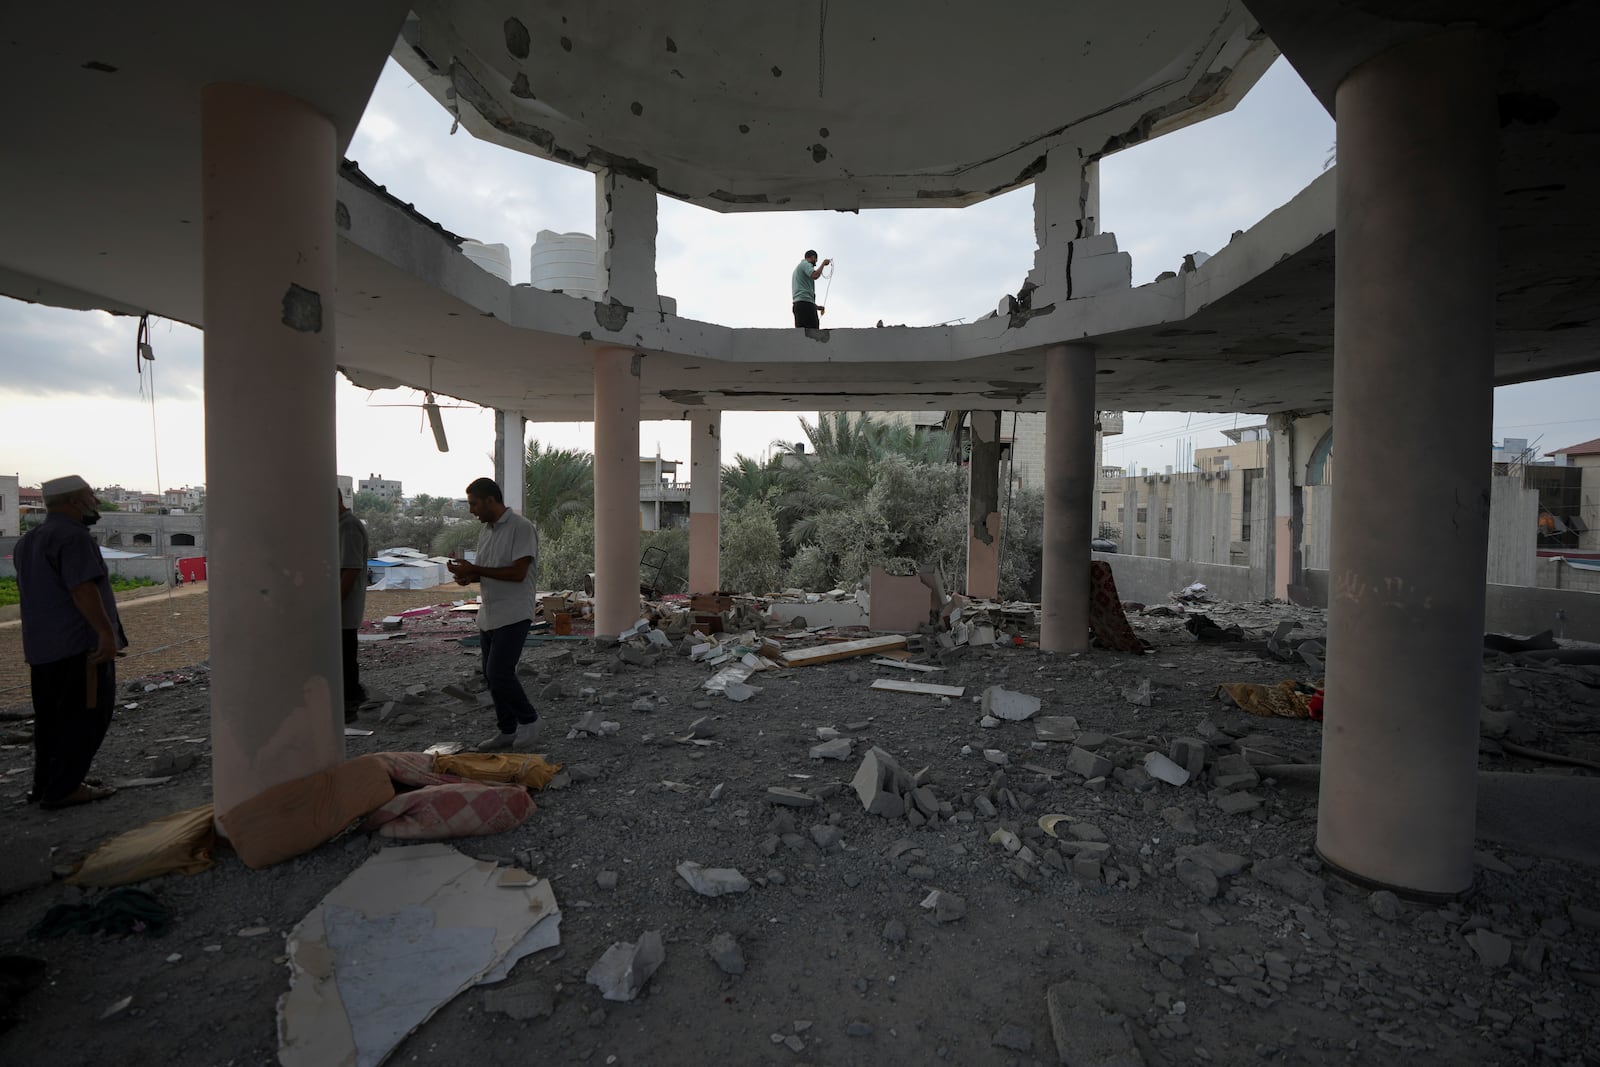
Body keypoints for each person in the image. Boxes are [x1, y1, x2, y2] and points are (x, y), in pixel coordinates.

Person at [15, 475, 126, 809]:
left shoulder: (30, 539)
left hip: (43, 650)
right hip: (80, 649)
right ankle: (64, 789)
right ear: (75, 501)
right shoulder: (73, 537)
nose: (95, 502)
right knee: (88, 716)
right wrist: (106, 634)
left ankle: (47, 783)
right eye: (90, 496)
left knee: (51, 721)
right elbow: (82, 589)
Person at [446, 477, 542, 751]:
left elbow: (517, 572)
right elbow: (491, 571)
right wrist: (469, 575)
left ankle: (530, 720)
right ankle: (507, 730)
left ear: (491, 500)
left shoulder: (521, 528)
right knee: (492, 676)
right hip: (490, 613)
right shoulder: (487, 531)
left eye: (474, 504)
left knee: (499, 673)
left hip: (514, 613)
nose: (471, 510)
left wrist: (476, 570)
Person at [337, 489, 371, 723]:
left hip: (343, 610)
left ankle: (350, 703)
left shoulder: (348, 526)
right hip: (340, 609)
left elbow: (351, 569)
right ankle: (350, 699)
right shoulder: (340, 525)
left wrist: (332, 605)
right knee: (343, 655)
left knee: (344, 656)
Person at [791, 249, 831, 328]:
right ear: (813, 257)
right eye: (816, 260)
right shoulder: (805, 264)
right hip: (806, 305)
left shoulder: (798, 269)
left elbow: (802, 295)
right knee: (814, 333)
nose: (815, 264)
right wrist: (823, 264)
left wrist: (816, 307)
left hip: (799, 305)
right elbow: (815, 275)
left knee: (801, 334)